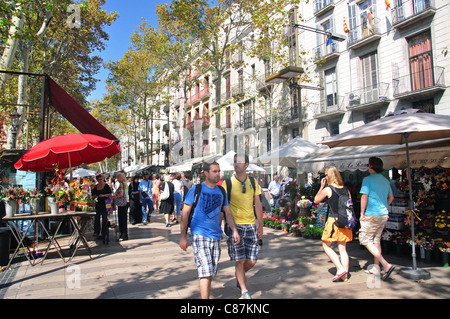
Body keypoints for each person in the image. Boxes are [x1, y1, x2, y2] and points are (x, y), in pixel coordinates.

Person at [179, 162, 240, 299]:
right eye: (214, 171)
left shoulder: (221, 191)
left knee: (210, 271)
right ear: (206, 173)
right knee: (205, 271)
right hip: (200, 235)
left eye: (219, 171)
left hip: (216, 236)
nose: (218, 174)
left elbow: (227, 213)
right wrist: (183, 237)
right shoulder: (196, 190)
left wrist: (234, 230)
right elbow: (185, 213)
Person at [225, 154, 263, 299]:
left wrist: (260, 225)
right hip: (236, 226)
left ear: (246, 165)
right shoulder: (227, 183)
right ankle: (244, 291)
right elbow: (225, 206)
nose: (236, 164)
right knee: (239, 260)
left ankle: (239, 275)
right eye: (235, 162)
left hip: (251, 225)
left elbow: (258, 204)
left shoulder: (253, 182)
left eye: (239, 162)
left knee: (252, 260)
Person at [314, 166, 353, 282]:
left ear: (329, 176)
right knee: (342, 249)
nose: (325, 177)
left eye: (326, 175)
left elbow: (316, 200)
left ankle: (340, 269)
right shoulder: (346, 190)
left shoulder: (328, 189)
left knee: (326, 246)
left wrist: (321, 187)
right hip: (345, 221)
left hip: (333, 221)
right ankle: (345, 276)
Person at [360, 157, 395, 280]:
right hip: (383, 214)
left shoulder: (367, 180)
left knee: (364, 239)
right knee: (376, 240)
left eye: (368, 165)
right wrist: (385, 205)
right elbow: (391, 197)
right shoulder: (385, 180)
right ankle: (376, 267)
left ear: (371, 166)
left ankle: (385, 265)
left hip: (372, 214)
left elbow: (364, 197)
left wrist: (361, 213)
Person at [91, 173, 112, 240]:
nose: (100, 180)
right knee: (97, 218)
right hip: (98, 204)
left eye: (101, 179)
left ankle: (104, 232)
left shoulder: (106, 186)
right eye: (98, 179)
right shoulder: (95, 187)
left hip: (105, 204)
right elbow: (93, 194)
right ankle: (96, 231)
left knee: (104, 218)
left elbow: (110, 194)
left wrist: (103, 195)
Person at [112, 172, 129, 241]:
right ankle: (124, 234)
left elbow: (121, 194)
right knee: (124, 219)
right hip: (126, 202)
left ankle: (123, 234)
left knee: (122, 219)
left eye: (117, 177)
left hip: (122, 203)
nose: (116, 178)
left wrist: (114, 197)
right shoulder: (125, 184)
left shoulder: (121, 185)